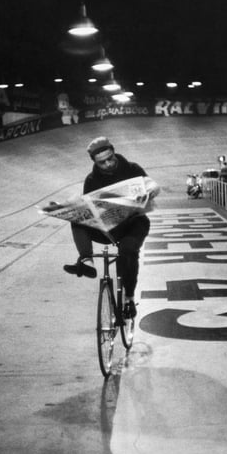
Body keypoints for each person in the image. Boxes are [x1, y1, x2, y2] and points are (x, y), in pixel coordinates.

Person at [63, 136, 158, 318]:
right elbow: (90, 207)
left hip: (133, 224)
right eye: (102, 162)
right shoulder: (91, 179)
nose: (107, 164)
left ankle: (129, 298)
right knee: (77, 218)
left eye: (110, 159)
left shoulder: (132, 168)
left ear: (114, 152)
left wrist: (151, 190)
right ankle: (86, 260)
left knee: (128, 251)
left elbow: (151, 184)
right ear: (95, 162)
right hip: (109, 227)